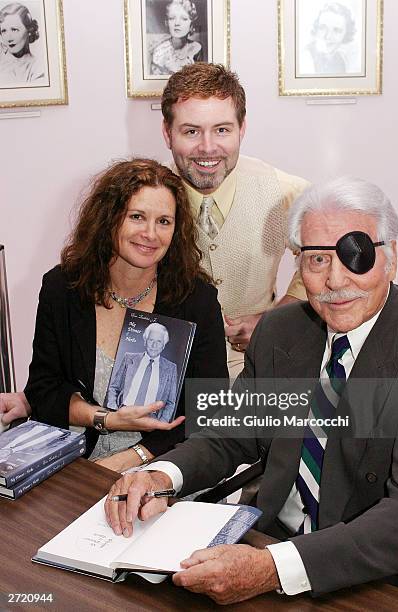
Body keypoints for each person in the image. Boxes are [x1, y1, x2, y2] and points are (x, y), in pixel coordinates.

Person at [105, 176, 398, 603]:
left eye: (357, 256)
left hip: (377, 578)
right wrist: (160, 475)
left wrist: (274, 568)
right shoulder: (283, 331)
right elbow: (232, 434)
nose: (335, 279)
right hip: (267, 540)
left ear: (391, 258)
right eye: (316, 259)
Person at [23, 158, 227, 473]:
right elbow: (43, 389)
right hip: (75, 458)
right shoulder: (62, 288)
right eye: (136, 217)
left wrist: (133, 460)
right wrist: (103, 418)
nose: (150, 233)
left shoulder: (196, 300)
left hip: (162, 463)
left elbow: (207, 411)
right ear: (109, 218)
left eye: (164, 221)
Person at [161, 62, 310, 376]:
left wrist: (278, 319)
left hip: (261, 368)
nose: (207, 147)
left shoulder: (287, 192)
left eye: (222, 130)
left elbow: (332, 258)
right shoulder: (141, 197)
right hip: (169, 374)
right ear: (167, 133)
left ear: (242, 129)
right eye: (191, 131)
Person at [106, 323, 177, 421]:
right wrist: (113, 411)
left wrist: (161, 423)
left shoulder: (171, 368)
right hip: (123, 412)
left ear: (163, 345)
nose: (154, 345)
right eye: (151, 340)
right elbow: (114, 387)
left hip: (151, 419)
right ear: (145, 341)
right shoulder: (129, 358)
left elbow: (170, 402)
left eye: (159, 341)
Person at [299, 2, 356, 75]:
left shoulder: (341, 59)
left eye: (337, 30)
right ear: (316, 28)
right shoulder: (305, 58)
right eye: (322, 28)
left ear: (346, 33)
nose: (328, 36)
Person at [151, 0, 202, 75]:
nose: (177, 23)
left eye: (184, 18)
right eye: (172, 18)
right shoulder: (159, 52)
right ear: (166, 22)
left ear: (191, 24)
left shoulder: (197, 48)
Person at [0, 2, 44, 84]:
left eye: (14, 29)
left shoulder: (38, 69)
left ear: (29, 30)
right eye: (4, 31)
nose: (8, 38)